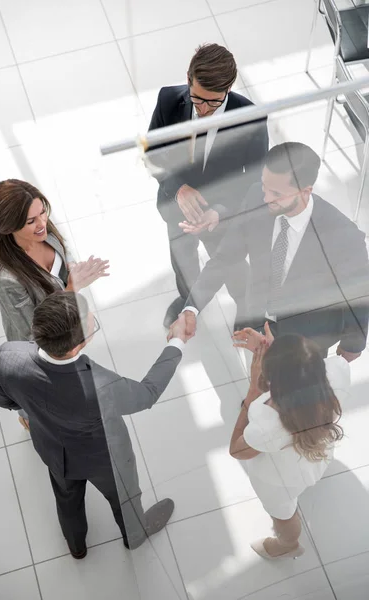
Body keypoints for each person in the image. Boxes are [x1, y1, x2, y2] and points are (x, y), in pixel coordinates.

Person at [0, 291, 192, 558]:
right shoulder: (101, 385)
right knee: (124, 500)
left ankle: (76, 546)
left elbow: (2, 398)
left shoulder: (9, 355)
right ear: (76, 346)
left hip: (53, 451)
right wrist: (177, 341)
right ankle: (133, 536)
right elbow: (147, 394)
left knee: (66, 499)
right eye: (90, 323)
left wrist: (33, 412)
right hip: (105, 461)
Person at [173, 142, 369, 360]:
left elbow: (358, 294)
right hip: (257, 321)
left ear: (305, 192)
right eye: (265, 186)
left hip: (306, 339)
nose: (266, 198)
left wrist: (353, 345)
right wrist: (191, 308)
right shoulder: (256, 196)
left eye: (276, 192)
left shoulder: (344, 236)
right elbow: (224, 258)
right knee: (259, 378)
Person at [147, 43, 269, 328]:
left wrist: (219, 211)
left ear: (228, 89)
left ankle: (247, 311)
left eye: (213, 103)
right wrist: (178, 189)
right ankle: (187, 301)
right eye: (197, 99)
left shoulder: (250, 116)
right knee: (182, 259)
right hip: (177, 206)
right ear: (188, 78)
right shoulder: (168, 100)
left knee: (232, 267)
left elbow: (254, 179)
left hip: (222, 214)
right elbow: (151, 154)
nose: (203, 110)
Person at [0, 179, 109, 429]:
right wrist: (72, 289)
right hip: (43, 347)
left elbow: (64, 255)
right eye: (30, 221)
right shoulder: (6, 278)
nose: (42, 224)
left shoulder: (46, 231)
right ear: (8, 226)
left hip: (66, 328)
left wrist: (76, 269)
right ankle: (29, 418)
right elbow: (33, 334)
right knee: (41, 397)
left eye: (42, 212)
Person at [229, 333, 350, 559]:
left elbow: (236, 450)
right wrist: (286, 357)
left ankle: (288, 544)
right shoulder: (338, 369)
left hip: (280, 479)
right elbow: (302, 377)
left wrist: (253, 392)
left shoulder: (266, 422)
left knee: (283, 514)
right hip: (319, 450)